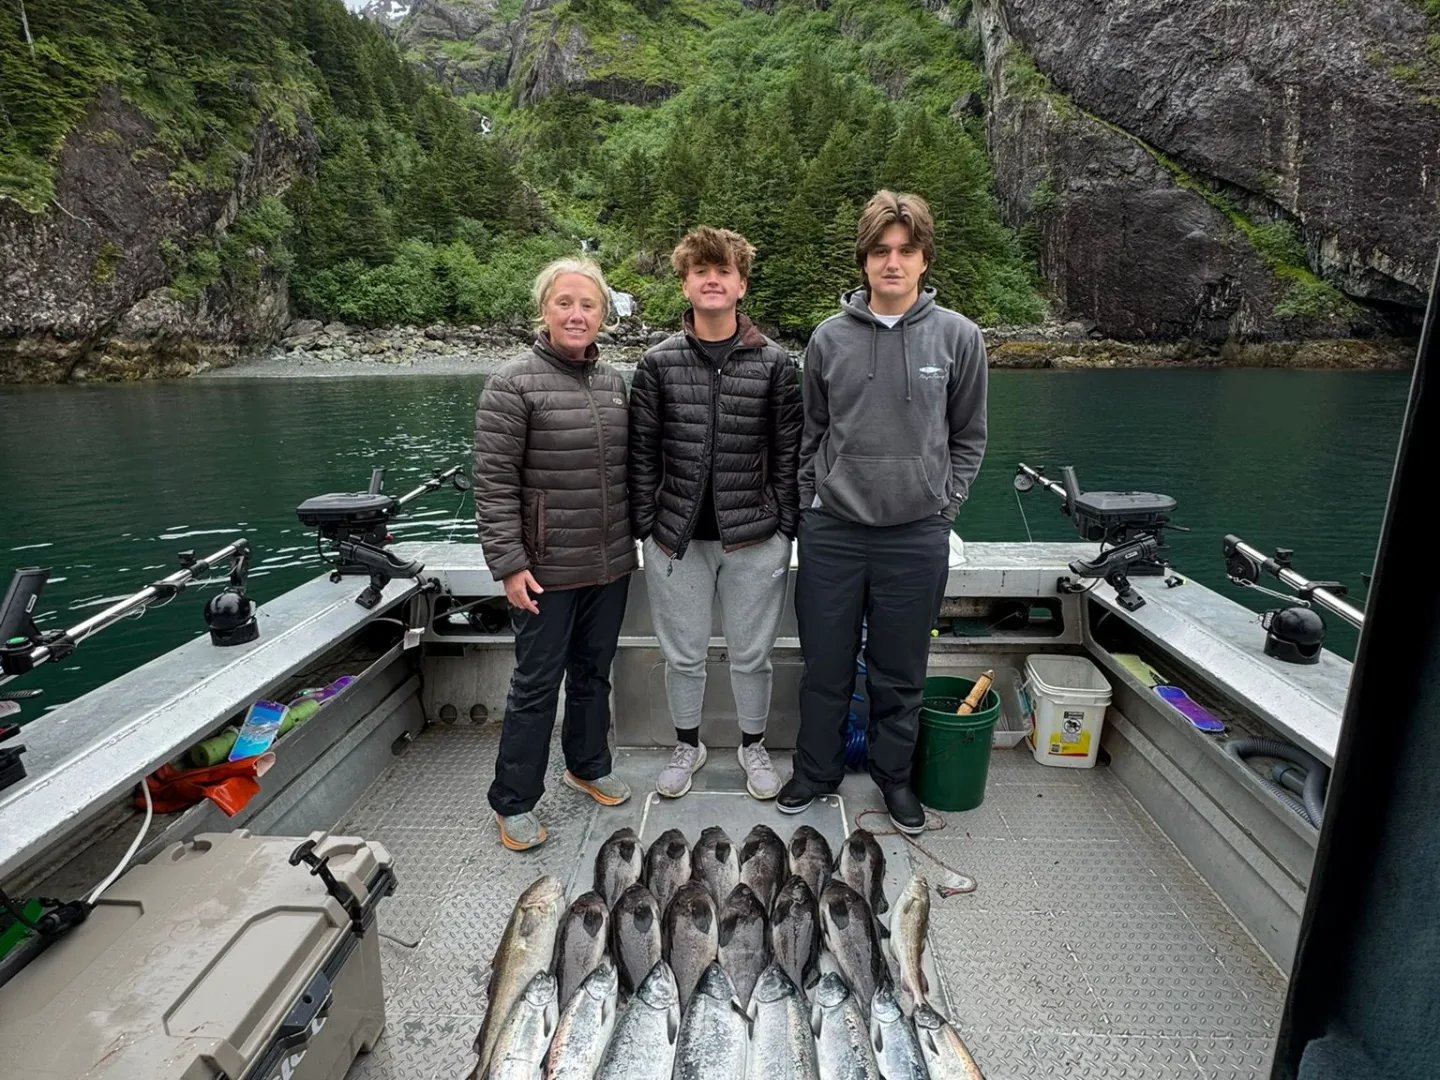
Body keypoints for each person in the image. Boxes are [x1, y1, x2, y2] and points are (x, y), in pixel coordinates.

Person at [779, 190, 989, 834]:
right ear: (864, 260)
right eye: (880, 251)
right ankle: (816, 770)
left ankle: (895, 778)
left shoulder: (959, 337)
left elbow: (969, 436)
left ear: (924, 258)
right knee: (826, 666)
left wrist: (943, 508)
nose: (892, 262)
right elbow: (810, 434)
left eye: (905, 250)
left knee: (902, 671)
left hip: (916, 535)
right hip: (834, 532)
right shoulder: (827, 338)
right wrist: (812, 504)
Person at [628, 226, 803, 800]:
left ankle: (753, 746)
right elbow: (642, 450)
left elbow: (789, 450)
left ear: (741, 285)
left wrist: (784, 526)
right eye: (701, 270)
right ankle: (689, 744)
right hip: (675, 538)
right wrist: (648, 526)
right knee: (684, 656)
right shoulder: (657, 364)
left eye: (723, 270)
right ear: (684, 282)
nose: (712, 279)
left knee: (753, 656)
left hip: (756, 538)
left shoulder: (776, 364)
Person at [473, 256, 637, 851]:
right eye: (565, 302)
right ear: (543, 309)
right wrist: (510, 563)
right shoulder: (511, 383)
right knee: (537, 685)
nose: (576, 314)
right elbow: (493, 483)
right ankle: (514, 800)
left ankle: (587, 764)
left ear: (603, 315)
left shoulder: (614, 383)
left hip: (610, 564)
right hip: (543, 569)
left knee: (594, 675)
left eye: (588, 305)